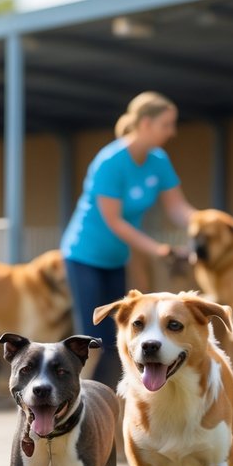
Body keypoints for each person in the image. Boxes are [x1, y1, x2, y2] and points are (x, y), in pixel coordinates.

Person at [60, 91, 195, 387]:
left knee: (119, 337)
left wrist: (207, 225)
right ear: (146, 123)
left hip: (115, 259)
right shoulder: (110, 161)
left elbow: (177, 208)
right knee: (95, 339)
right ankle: (77, 395)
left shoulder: (158, 160)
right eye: (167, 124)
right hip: (84, 256)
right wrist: (159, 249)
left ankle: (103, 398)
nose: (172, 132)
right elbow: (115, 221)